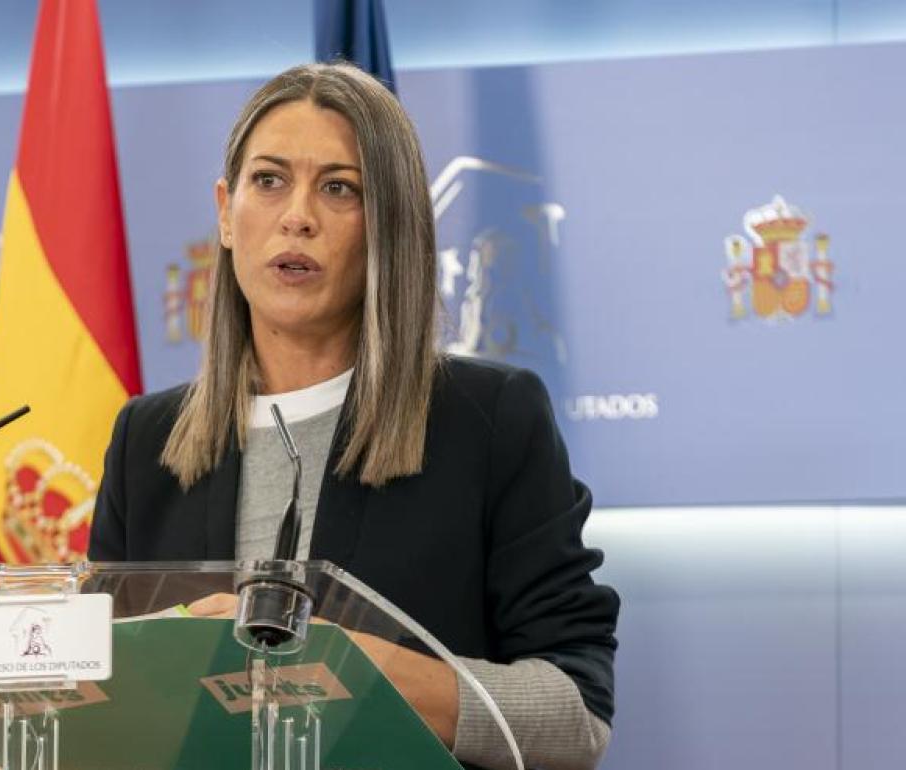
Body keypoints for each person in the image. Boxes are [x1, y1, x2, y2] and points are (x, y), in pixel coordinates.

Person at [90, 62, 619, 770]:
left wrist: (345, 667)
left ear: (389, 224)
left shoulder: (489, 420)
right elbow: (102, 695)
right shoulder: (147, 442)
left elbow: (575, 714)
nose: (297, 216)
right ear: (224, 211)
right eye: (268, 180)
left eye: (339, 188)